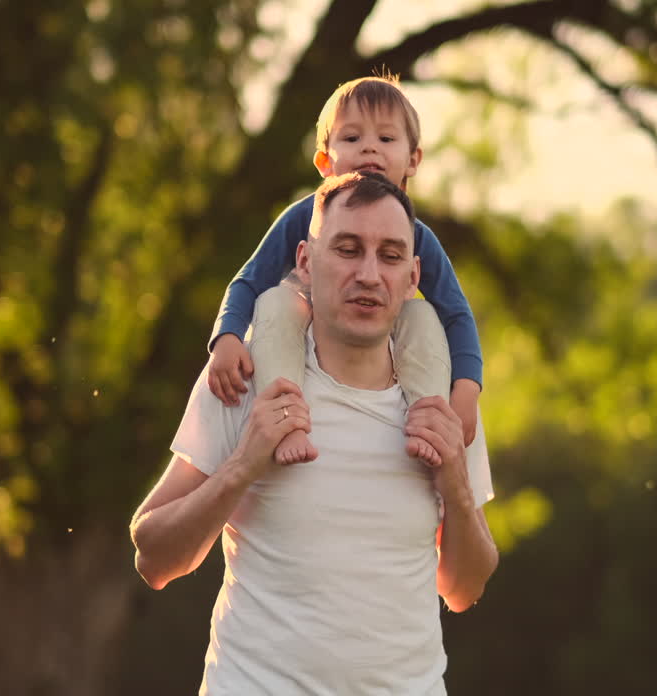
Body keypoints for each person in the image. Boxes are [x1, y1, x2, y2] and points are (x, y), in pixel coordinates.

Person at [131, 171, 499, 695]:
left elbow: (463, 589)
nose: (369, 274)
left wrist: (456, 486)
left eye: (390, 256)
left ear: (414, 275)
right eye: (348, 249)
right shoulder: (245, 379)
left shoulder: (443, 399)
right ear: (304, 260)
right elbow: (152, 557)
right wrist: (241, 467)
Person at [206, 74, 483, 468]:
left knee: (423, 315)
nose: (369, 146)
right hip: (306, 325)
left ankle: (427, 424)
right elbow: (250, 280)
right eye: (352, 139)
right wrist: (227, 337)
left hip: (381, 330)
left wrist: (467, 390)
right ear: (324, 160)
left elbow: (457, 313)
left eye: (386, 139)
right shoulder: (303, 218)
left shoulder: (417, 236)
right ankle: (287, 420)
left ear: (413, 159)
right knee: (276, 300)